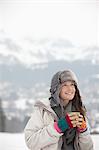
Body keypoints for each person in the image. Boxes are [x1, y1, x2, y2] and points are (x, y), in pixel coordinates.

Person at [24, 69, 94, 150]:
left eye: (72, 84)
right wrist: (58, 127)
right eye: (65, 85)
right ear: (56, 89)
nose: (70, 89)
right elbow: (31, 142)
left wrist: (83, 132)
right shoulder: (44, 110)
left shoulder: (79, 110)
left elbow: (88, 148)